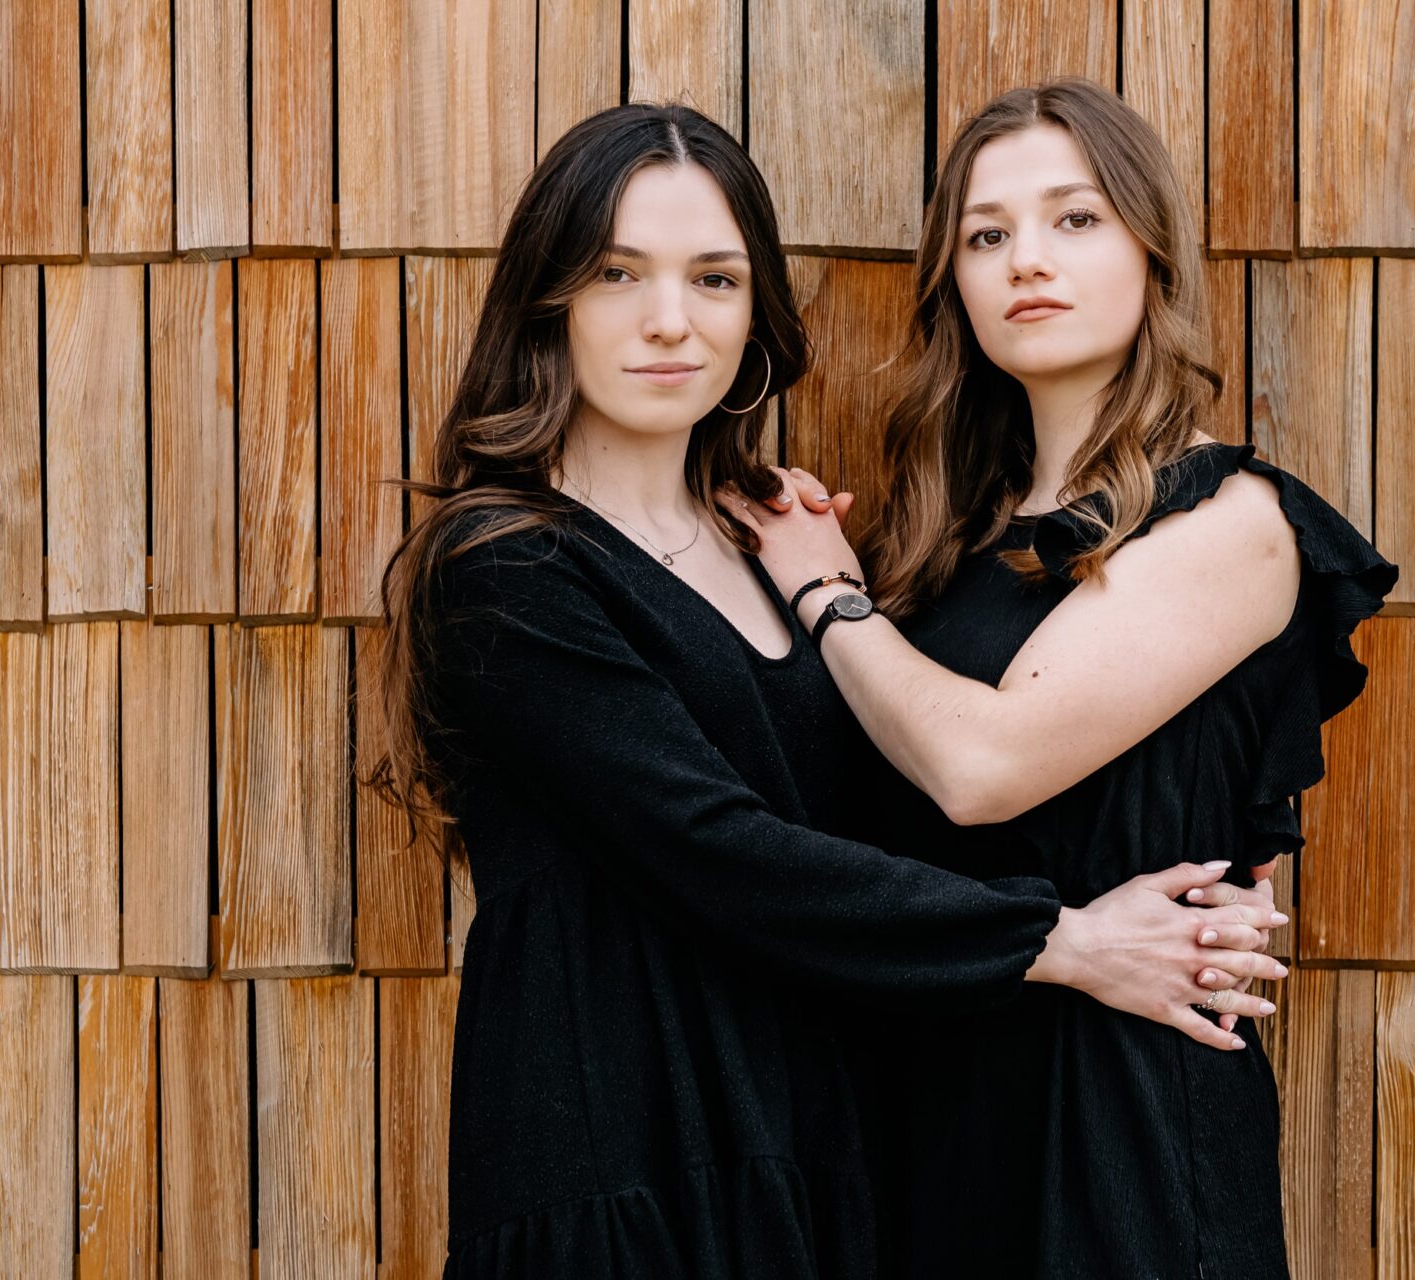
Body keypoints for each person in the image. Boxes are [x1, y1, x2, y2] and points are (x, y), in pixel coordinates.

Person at [355, 101, 1289, 1278]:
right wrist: (1070, 939)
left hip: (817, 1155)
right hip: (627, 1166)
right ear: (549, 299)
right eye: (616, 273)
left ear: (756, 316)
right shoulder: (506, 566)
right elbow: (717, 847)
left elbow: (892, 824)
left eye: (714, 278)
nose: (668, 319)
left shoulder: (776, 551)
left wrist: (1193, 860)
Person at [736, 78, 1400, 1277]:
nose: (1027, 260)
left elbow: (980, 764)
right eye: (986, 236)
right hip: (936, 1110)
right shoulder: (940, 547)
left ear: (1151, 248)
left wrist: (825, 592)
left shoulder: (1230, 521)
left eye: (1075, 218)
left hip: (1116, 1125)